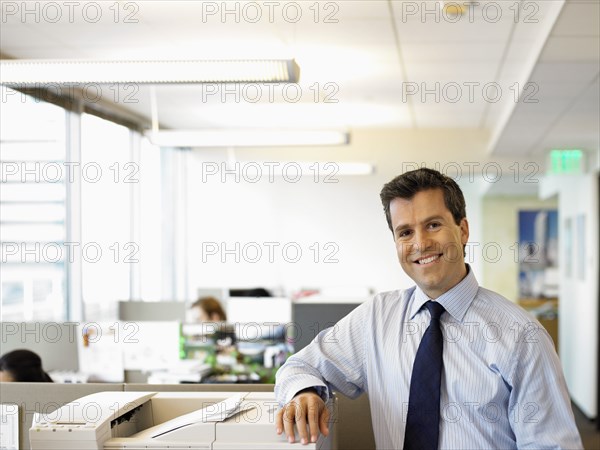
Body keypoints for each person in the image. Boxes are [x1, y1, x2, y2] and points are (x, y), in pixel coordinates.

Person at [275, 168, 582, 449]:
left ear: (462, 230)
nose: (420, 244)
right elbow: (300, 366)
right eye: (405, 232)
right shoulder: (376, 318)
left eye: (433, 225)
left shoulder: (521, 335)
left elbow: (552, 445)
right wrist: (305, 393)